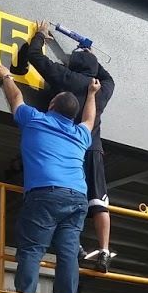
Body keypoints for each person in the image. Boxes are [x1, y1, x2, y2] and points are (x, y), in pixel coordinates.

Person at [15, 22, 117, 272]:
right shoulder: (101, 90)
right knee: (98, 200)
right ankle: (104, 250)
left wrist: (39, 35)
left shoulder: (65, 77)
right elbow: (108, 78)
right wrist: (92, 57)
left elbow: (35, 56)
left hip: (68, 148)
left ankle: (78, 247)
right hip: (91, 147)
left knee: (71, 195)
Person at [0, 60, 99, 293]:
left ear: (51, 105)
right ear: (72, 115)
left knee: (33, 248)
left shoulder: (35, 119)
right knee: (68, 252)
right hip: (77, 197)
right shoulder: (80, 134)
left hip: (45, 194)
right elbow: (90, 119)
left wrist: (6, 76)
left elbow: (16, 98)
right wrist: (91, 93)